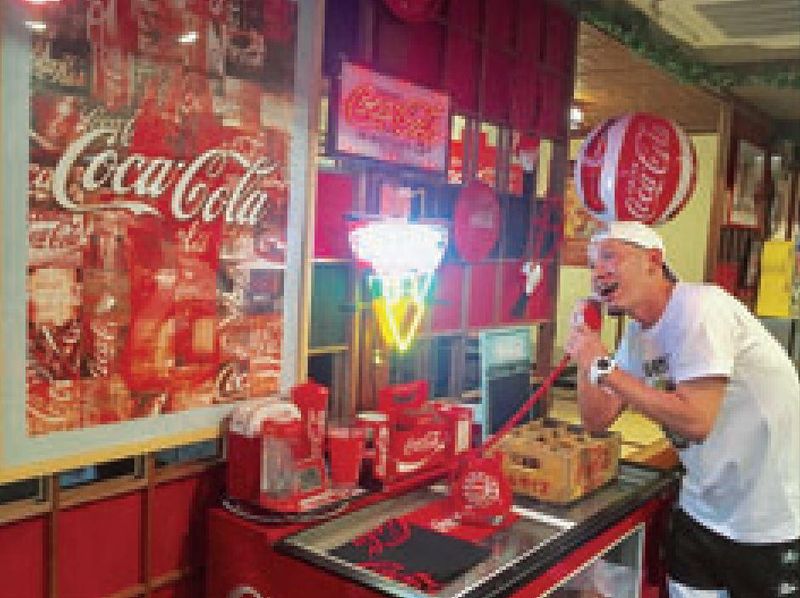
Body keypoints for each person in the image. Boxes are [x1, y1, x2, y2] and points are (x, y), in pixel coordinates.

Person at [566, 221, 800, 598]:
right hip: (702, 508)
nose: (598, 272)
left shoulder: (700, 308)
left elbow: (696, 420)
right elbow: (597, 419)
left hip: (766, 517)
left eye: (610, 256)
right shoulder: (638, 336)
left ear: (653, 261)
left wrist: (605, 370)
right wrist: (586, 346)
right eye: (592, 263)